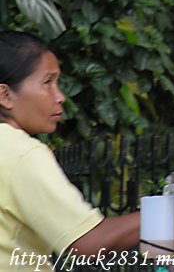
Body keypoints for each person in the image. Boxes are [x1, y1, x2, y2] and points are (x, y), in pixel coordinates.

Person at [0, 31, 140, 271]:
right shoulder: (21, 153)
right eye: (47, 82)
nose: (60, 97)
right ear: (5, 95)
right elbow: (87, 244)